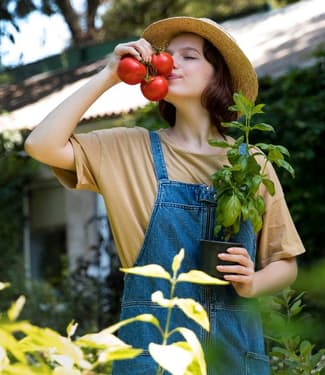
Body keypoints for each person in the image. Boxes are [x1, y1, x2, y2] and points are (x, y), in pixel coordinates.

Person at [25, 16, 305, 375]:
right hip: (151, 355)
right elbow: (40, 144)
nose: (171, 62)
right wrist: (109, 74)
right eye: (167, 55)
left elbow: (285, 263)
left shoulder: (251, 162)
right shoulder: (128, 149)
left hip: (234, 354)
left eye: (189, 56)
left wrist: (252, 283)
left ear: (218, 76)